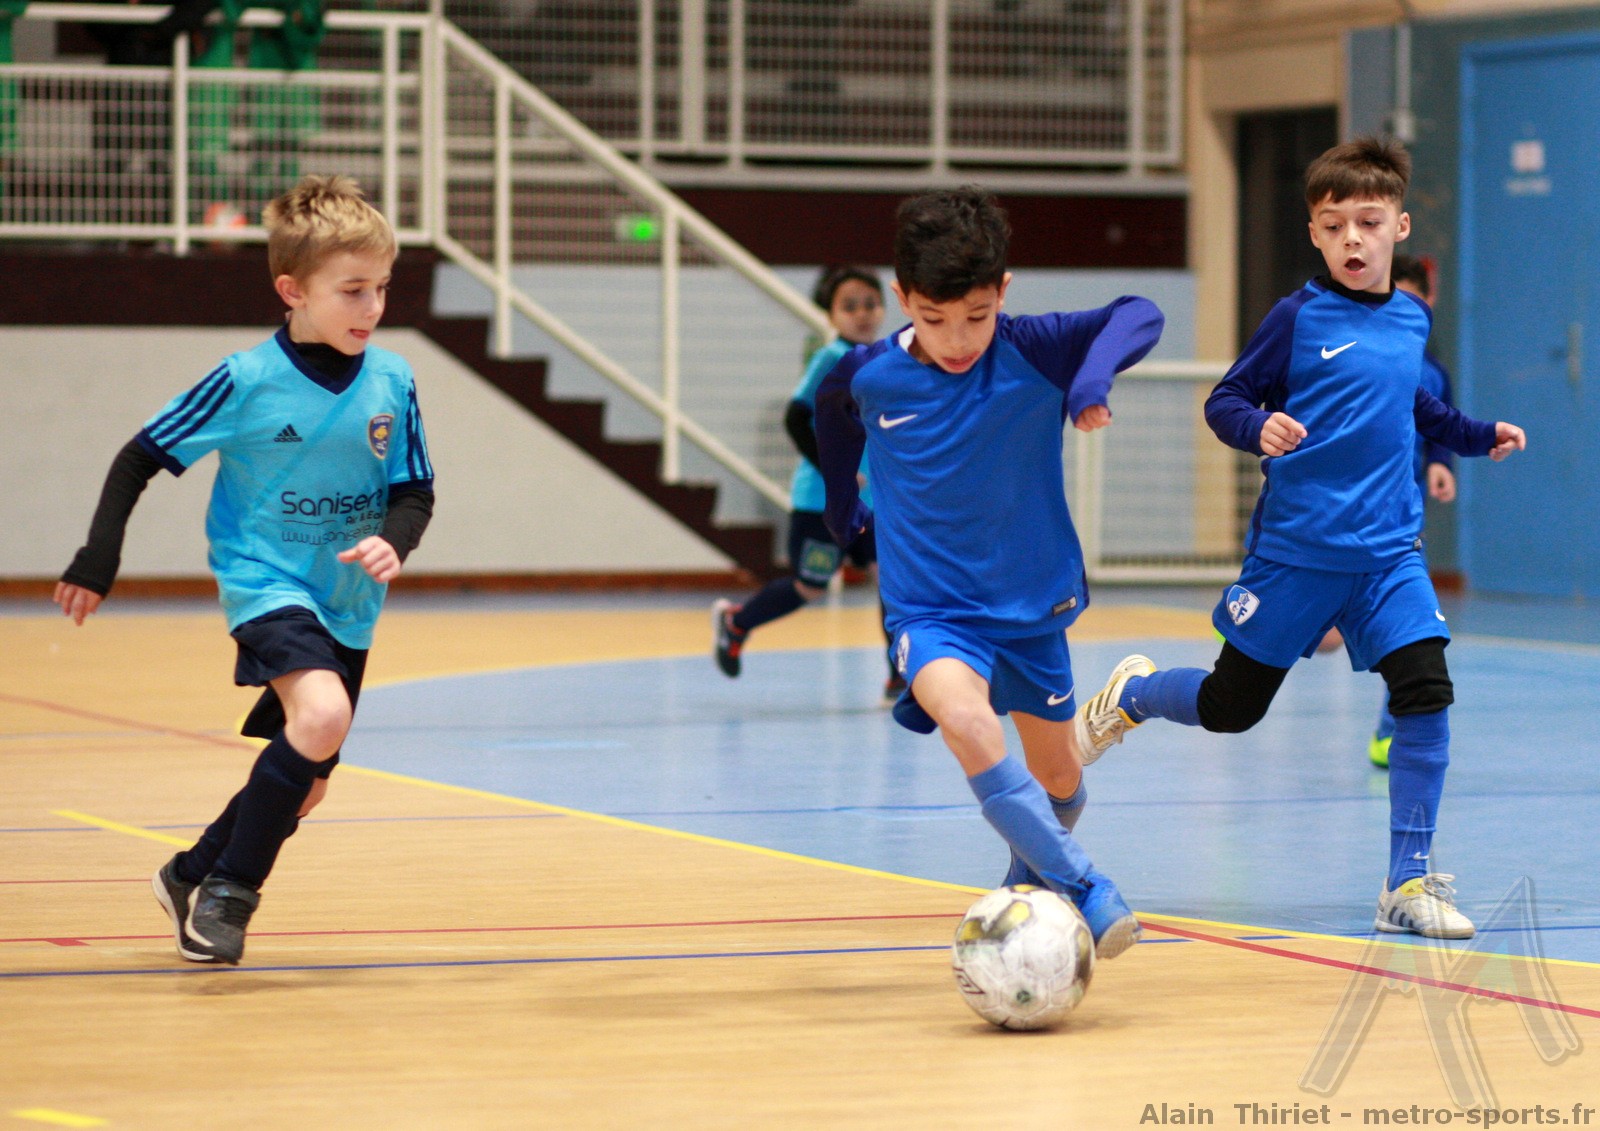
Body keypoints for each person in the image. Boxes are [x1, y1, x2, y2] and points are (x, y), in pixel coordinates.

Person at [1073, 138, 1525, 940]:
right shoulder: (1296, 318)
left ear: (1399, 228)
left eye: (1369, 222)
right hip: (1296, 553)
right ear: (1314, 234)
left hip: (1388, 554)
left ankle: (1407, 880)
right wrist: (1257, 426)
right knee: (1229, 708)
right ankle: (1135, 693)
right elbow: (1225, 400)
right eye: (1335, 224)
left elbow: (1414, 406)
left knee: (1425, 689)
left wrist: (1473, 434)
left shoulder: (1411, 318)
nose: (1353, 238)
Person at [53, 174, 435, 966]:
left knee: (310, 781)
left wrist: (395, 542)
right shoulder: (247, 378)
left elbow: (414, 489)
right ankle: (229, 894)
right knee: (321, 715)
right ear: (292, 290)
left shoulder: (393, 380)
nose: (372, 307)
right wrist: (99, 555)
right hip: (265, 580)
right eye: (353, 290)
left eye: (382, 288)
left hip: (348, 598)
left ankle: (187, 872)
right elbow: (139, 457)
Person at [815, 186, 1164, 959]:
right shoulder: (867, 374)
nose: (957, 339)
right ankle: (1086, 887)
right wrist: (843, 510)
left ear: (1002, 291)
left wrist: (1090, 382)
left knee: (1058, 779)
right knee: (967, 723)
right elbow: (830, 419)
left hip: (1033, 608)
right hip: (931, 611)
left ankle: (1027, 876)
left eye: (976, 316)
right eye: (933, 319)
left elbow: (1139, 313)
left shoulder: (1032, 347)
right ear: (903, 298)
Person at [712, 265, 899, 697]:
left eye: (870, 304)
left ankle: (899, 676)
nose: (862, 313)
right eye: (850, 306)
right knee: (810, 587)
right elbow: (796, 419)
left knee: (893, 581)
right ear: (831, 315)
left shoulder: (884, 360)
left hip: (870, 503)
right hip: (822, 504)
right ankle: (736, 623)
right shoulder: (830, 359)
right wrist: (835, 470)